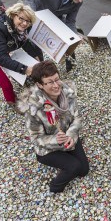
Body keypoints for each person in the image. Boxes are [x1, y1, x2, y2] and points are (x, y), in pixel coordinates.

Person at [17, 60, 89, 193]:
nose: (56, 86)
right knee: (74, 166)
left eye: (57, 79)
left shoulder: (68, 93)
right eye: (50, 82)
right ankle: (55, 186)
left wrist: (71, 135)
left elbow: (77, 117)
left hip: (67, 137)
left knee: (84, 170)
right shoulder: (33, 108)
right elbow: (36, 138)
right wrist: (56, 140)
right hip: (48, 149)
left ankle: (67, 158)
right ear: (40, 85)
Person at [0, 2, 42, 106]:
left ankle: (24, 79)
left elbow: (26, 43)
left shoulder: (24, 27)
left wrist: (37, 58)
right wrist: (25, 69)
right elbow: (0, 57)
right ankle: (12, 102)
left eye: (28, 21)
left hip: (0, 49)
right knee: (6, 84)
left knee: (19, 65)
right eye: (21, 19)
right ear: (13, 15)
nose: (25, 23)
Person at [24, 0, 89, 72]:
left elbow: (70, 21)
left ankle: (71, 67)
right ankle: (39, 71)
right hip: (36, 17)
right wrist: (33, 14)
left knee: (69, 40)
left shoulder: (78, 3)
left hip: (55, 19)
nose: (80, 0)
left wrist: (74, 35)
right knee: (35, 45)